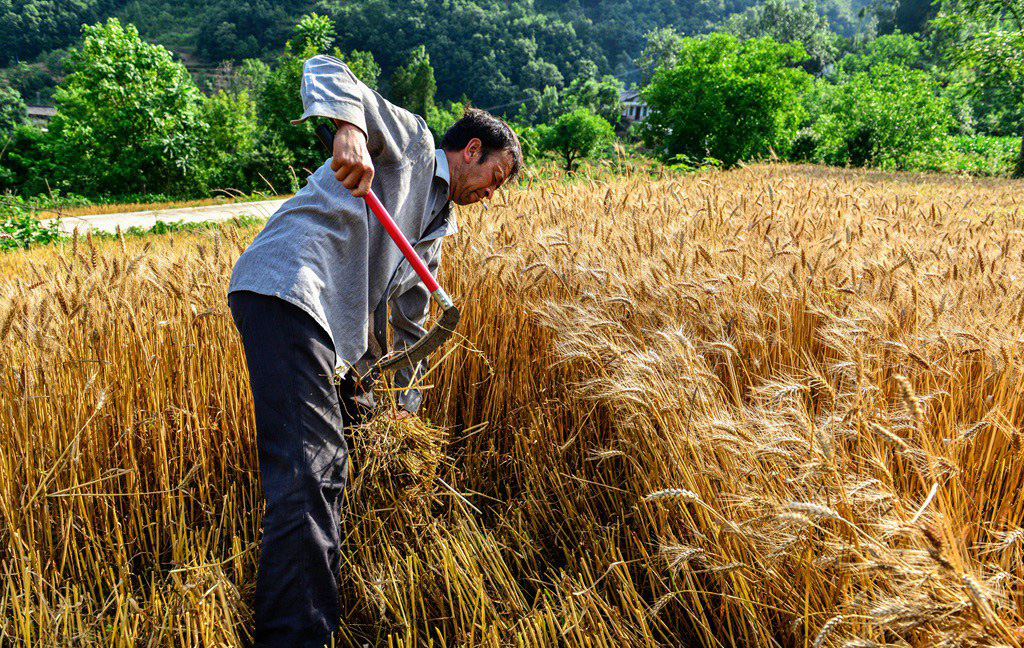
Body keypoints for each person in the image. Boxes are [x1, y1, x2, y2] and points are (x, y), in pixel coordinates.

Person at [226, 54, 522, 648]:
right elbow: (326, 67)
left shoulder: (434, 229)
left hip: (337, 334)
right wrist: (350, 133)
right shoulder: (410, 142)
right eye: (498, 177)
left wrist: (405, 407)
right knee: (316, 465)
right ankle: (297, 634)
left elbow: (411, 327)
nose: (495, 193)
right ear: (471, 152)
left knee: (358, 440)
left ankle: (350, 584)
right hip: (292, 286)